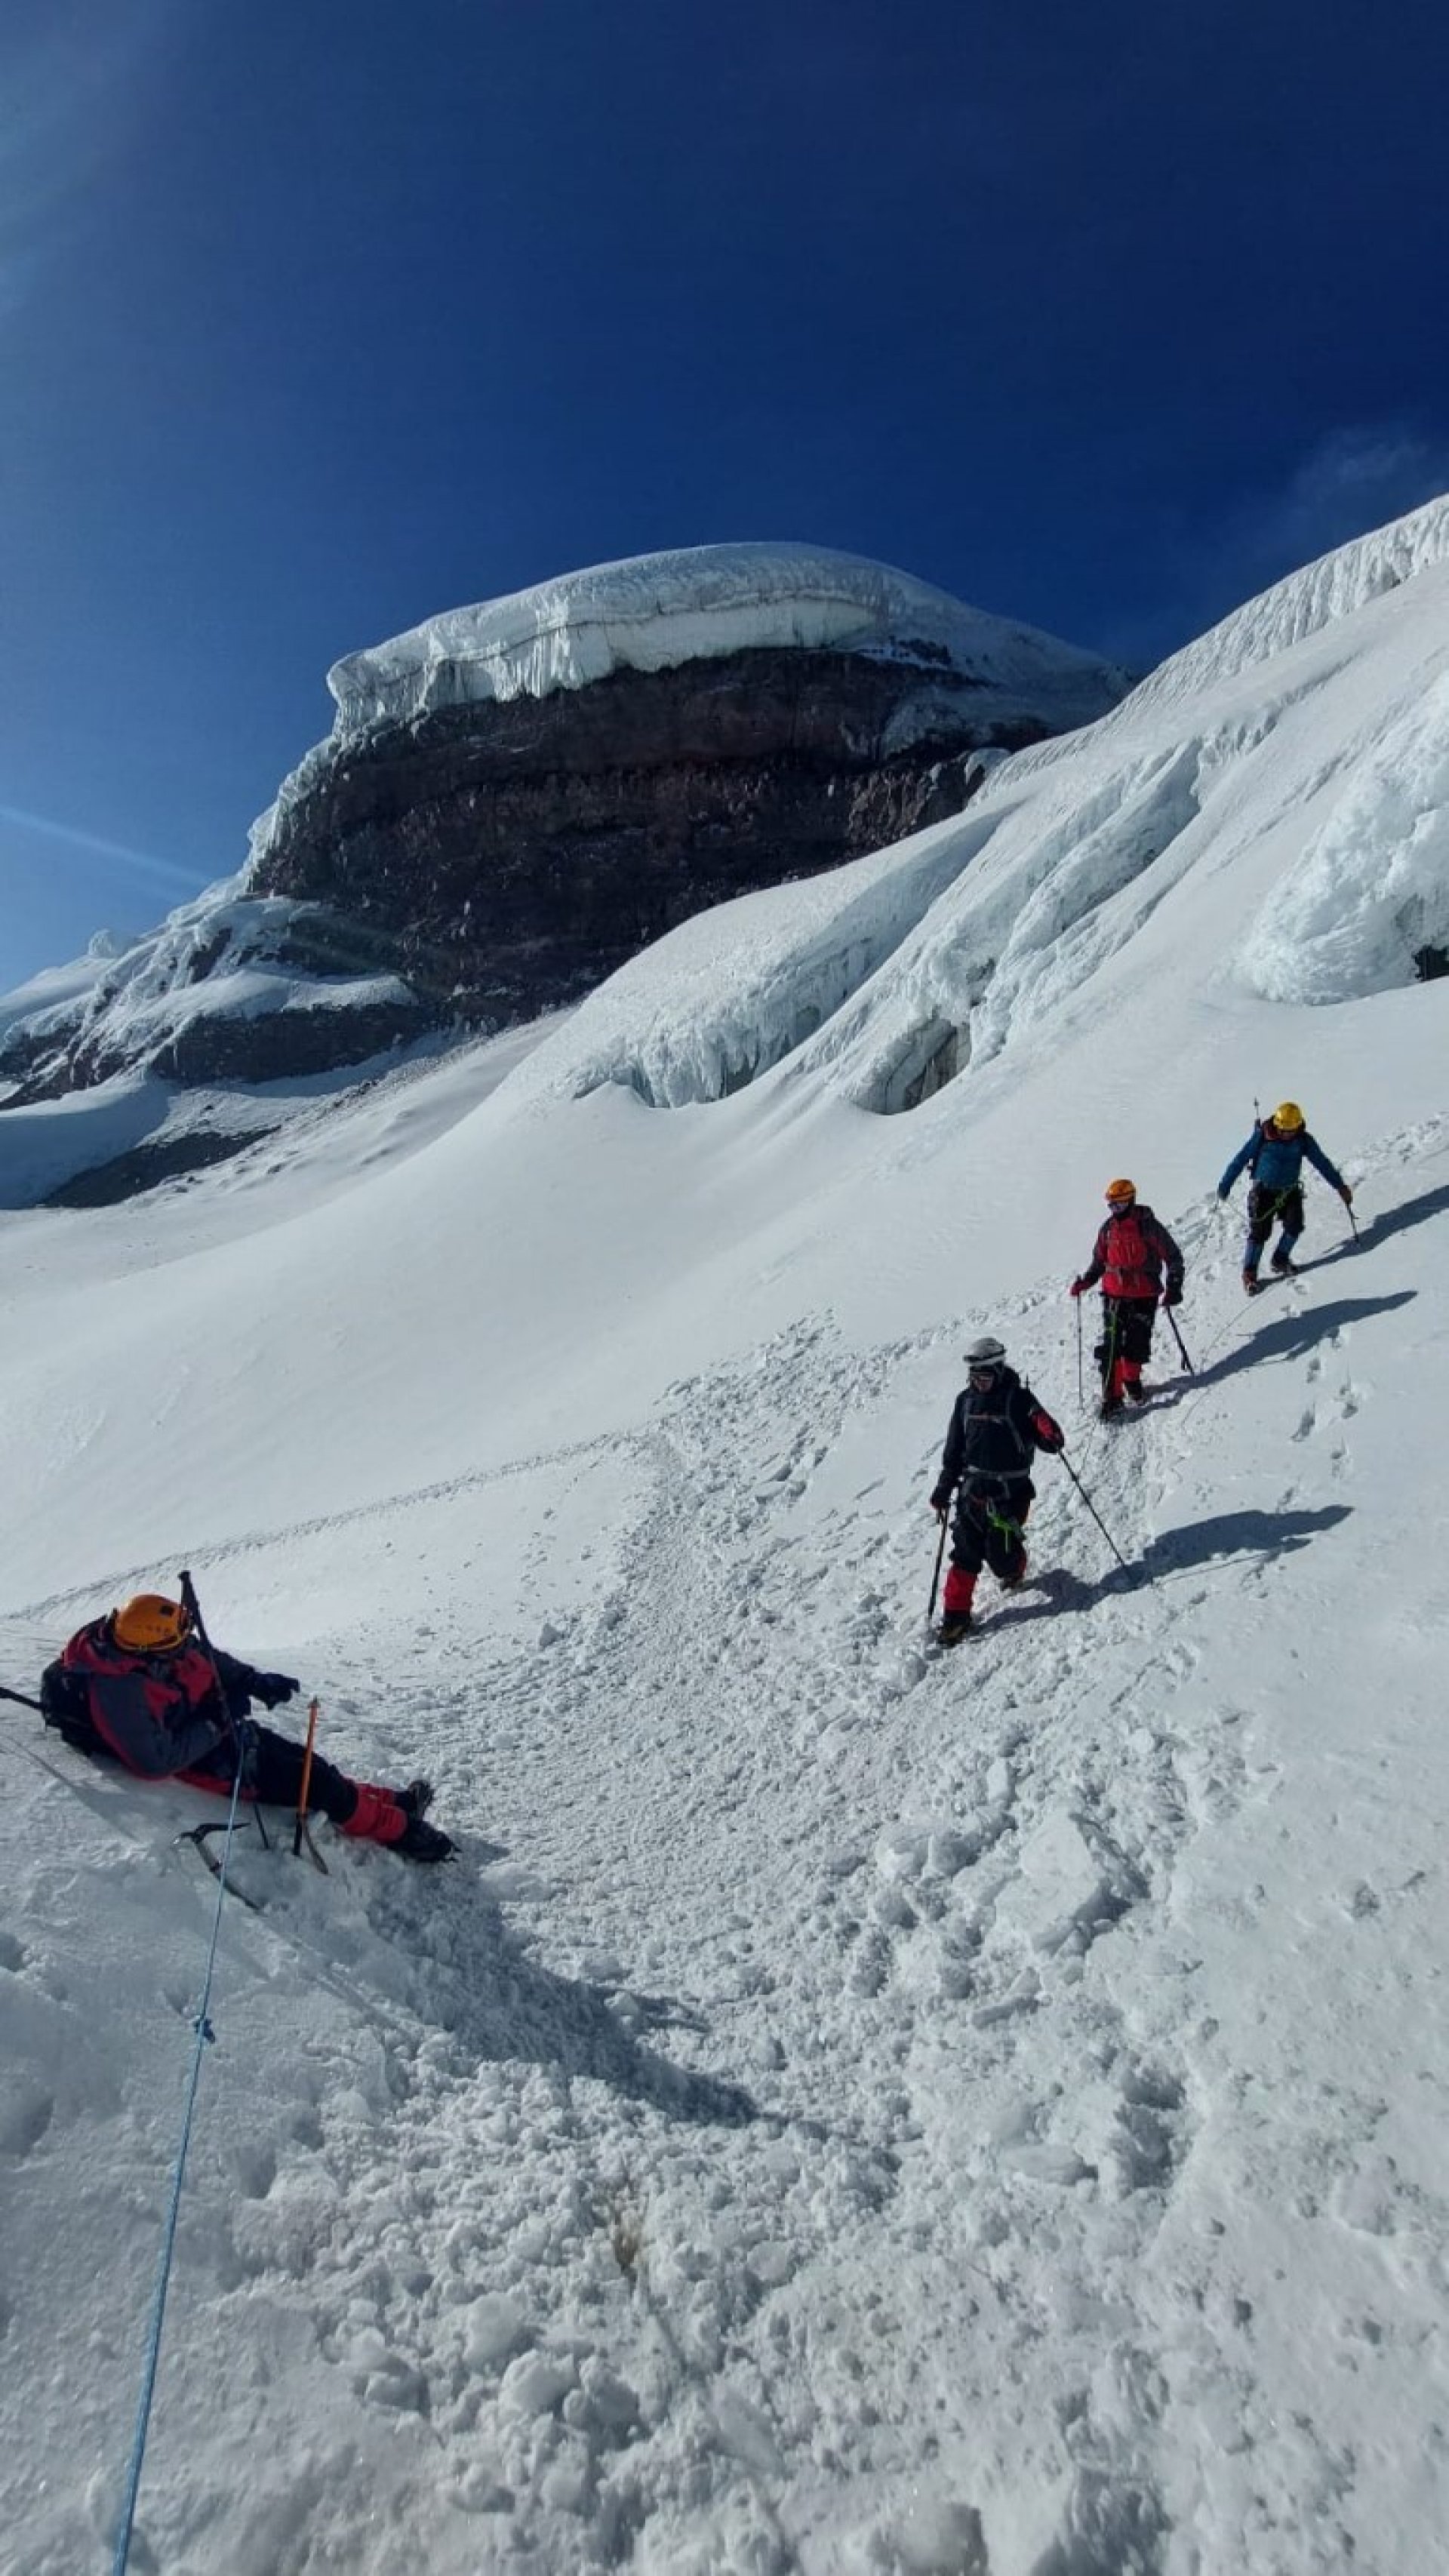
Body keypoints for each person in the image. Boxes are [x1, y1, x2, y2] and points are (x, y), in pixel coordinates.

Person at [41, 1594, 454, 1862]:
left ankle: (394, 1803)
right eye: (176, 1640)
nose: (186, 1643)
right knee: (318, 1787)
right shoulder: (119, 1692)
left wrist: (252, 1680)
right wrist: (216, 1722)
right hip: (206, 1758)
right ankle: (403, 1832)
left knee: (312, 1766)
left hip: (220, 1730)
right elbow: (153, 1761)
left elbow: (204, 1656)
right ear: (152, 1646)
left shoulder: (153, 1647)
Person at [929, 1335, 1065, 1645]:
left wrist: (1048, 1430)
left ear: (999, 1370)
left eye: (984, 1377)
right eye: (973, 1378)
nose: (979, 1384)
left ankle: (1014, 1566)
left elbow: (1050, 1442)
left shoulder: (1019, 1400)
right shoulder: (965, 1402)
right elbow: (954, 1451)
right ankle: (956, 1616)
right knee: (965, 1553)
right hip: (973, 1491)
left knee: (1000, 1557)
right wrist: (942, 1490)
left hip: (1010, 1492)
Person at [1069, 1178, 1185, 1417]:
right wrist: (1086, 1281)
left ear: (1131, 1201)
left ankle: (1132, 1381)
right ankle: (1112, 1398)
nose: (1115, 1211)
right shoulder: (1108, 1229)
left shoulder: (1149, 1227)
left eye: (1119, 1206)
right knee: (1111, 1348)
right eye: (1111, 1206)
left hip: (1144, 1296)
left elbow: (1173, 1257)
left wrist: (1173, 1286)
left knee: (1136, 1345)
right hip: (1113, 1296)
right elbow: (1100, 1261)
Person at [1217, 1101, 1352, 1294]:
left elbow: (1322, 1163)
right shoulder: (1263, 1136)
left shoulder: (1303, 1140)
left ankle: (1280, 1259)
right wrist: (1225, 1184)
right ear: (1277, 1126)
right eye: (1284, 1130)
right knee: (1260, 1233)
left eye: (1291, 1130)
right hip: (1263, 1191)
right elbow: (1241, 1159)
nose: (1287, 1134)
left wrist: (1340, 1186)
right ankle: (1249, 1273)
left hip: (1289, 1191)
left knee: (1295, 1226)